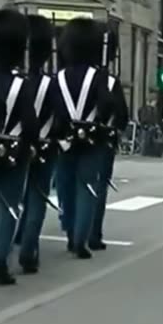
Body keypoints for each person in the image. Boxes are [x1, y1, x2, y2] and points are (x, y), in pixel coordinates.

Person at [0, 8, 36, 284]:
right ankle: (0, 260)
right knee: (10, 207)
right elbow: (31, 124)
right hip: (15, 150)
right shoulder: (20, 84)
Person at [53, 18, 112, 259]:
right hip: (91, 139)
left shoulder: (59, 77)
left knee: (65, 187)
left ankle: (69, 229)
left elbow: (52, 106)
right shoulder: (97, 76)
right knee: (87, 187)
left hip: (64, 139)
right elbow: (106, 105)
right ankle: (80, 239)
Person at [18, 15, 68, 274]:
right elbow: (62, 117)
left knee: (8, 198)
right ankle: (28, 249)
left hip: (14, 145)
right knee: (36, 198)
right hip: (45, 146)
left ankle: (2, 249)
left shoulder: (12, 80)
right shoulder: (51, 84)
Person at [90, 23, 128, 251]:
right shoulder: (110, 82)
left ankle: (73, 228)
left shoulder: (64, 77)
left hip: (73, 142)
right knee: (98, 186)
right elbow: (122, 116)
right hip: (103, 140)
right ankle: (93, 232)